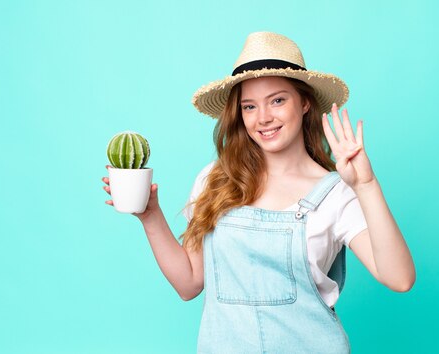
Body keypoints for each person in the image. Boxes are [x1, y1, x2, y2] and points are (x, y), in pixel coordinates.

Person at [102, 31, 415, 353]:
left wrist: (365, 185)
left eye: (277, 100)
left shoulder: (336, 193)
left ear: (304, 103)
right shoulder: (215, 180)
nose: (263, 118)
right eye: (249, 106)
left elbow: (399, 278)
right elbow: (189, 283)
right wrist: (150, 215)